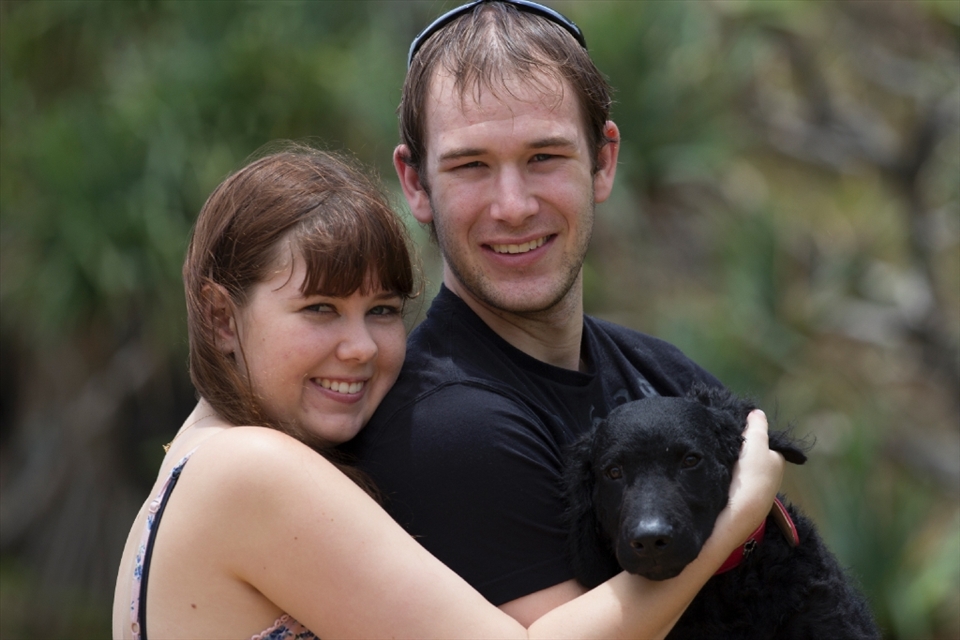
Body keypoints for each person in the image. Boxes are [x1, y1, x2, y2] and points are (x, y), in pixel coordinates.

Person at [112, 144, 783, 639]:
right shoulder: (251, 471)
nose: (361, 347)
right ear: (223, 317)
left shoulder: (195, 462)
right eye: (319, 309)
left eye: (381, 310)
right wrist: (730, 525)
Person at [341, 0, 786, 626]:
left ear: (603, 161)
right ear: (415, 183)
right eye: (471, 165)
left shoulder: (660, 370)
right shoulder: (446, 428)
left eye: (543, 157)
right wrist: (736, 522)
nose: (514, 205)